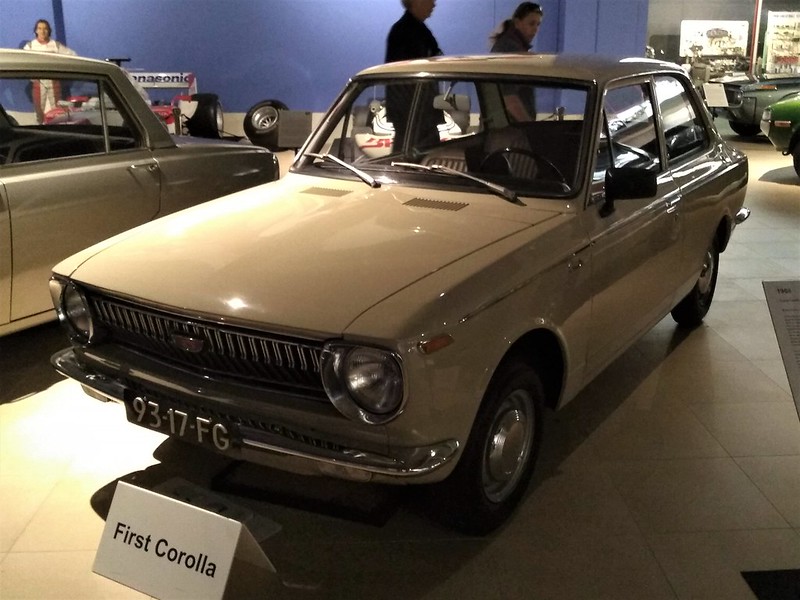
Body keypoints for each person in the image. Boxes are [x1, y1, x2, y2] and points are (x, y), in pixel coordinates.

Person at [384, 0, 443, 152]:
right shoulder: (407, 32)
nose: (434, 5)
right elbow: (404, 78)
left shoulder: (414, 29)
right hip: (415, 116)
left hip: (416, 115)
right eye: (430, 0)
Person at [489, 3, 543, 122]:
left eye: (538, 24)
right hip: (510, 128)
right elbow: (508, 96)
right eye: (531, 23)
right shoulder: (510, 50)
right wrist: (528, 125)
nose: (535, 29)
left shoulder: (510, 46)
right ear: (518, 23)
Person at [23, 19, 76, 123]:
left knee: (56, 112)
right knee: (39, 113)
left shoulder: (55, 45)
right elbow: (24, 63)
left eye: (45, 29)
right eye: (40, 28)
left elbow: (72, 56)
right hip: (39, 84)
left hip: (54, 83)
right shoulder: (30, 46)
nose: (42, 31)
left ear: (49, 31)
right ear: (36, 31)